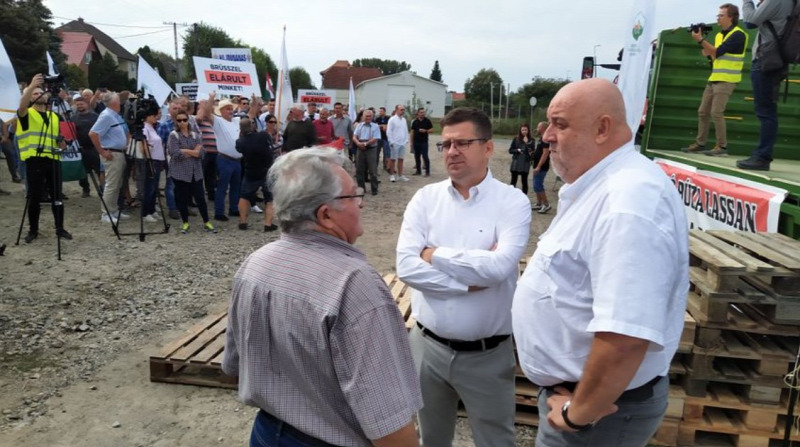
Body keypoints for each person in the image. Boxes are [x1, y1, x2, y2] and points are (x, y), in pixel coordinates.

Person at [512, 79, 688, 447]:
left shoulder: (627, 201)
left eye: (560, 124)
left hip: (597, 417)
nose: (547, 136)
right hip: (585, 401)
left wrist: (576, 415)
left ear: (602, 128)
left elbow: (626, 334)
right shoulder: (603, 186)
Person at [223, 147, 422, 447]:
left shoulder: (256, 263)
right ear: (326, 215)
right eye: (354, 195)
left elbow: (234, 366)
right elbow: (388, 421)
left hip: (266, 433)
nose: (361, 203)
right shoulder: (354, 285)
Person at [396, 107, 531, 447]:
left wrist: (433, 254)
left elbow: (499, 269)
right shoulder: (426, 199)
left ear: (488, 148)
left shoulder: (512, 202)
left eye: (463, 143)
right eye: (446, 144)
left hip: (488, 355)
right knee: (431, 438)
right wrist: (467, 282)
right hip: (427, 348)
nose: (452, 151)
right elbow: (406, 267)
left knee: (496, 441)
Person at [681, 3, 748, 157]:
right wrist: (707, 48)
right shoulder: (719, 35)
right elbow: (714, 55)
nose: (717, 18)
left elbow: (717, 52)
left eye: (721, 15)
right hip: (715, 78)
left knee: (716, 112)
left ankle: (722, 147)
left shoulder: (738, 35)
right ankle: (700, 144)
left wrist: (700, 40)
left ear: (731, 17)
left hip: (727, 79)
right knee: (703, 112)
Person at [736, 0, 794, 171]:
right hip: (777, 58)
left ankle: (762, 157)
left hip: (765, 60)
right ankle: (762, 155)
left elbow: (750, 21)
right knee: (768, 111)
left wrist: (747, 1)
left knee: (766, 112)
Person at [15, 74, 72, 242]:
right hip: (35, 160)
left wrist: (61, 143)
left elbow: (55, 138)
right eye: (34, 93)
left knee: (57, 196)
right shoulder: (27, 114)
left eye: (40, 92)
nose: (39, 94)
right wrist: (31, 86)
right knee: (34, 197)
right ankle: (33, 230)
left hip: (53, 159)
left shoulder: (54, 116)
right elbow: (22, 106)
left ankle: (60, 228)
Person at [196, 92, 260, 221]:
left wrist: (254, 101)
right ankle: (219, 212)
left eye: (231, 108)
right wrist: (211, 98)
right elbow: (207, 113)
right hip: (225, 159)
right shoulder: (218, 121)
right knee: (222, 187)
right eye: (227, 109)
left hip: (237, 160)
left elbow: (252, 114)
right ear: (221, 111)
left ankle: (233, 209)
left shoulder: (237, 120)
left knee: (236, 186)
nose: (230, 111)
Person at [167, 111, 216, 234]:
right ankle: (185, 222)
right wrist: (193, 151)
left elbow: (201, 153)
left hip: (196, 172)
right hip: (180, 173)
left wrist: (185, 150)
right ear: (176, 122)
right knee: (182, 198)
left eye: (184, 120)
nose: (182, 122)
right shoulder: (173, 135)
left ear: (188, 120)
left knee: (200, 198)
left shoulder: (195, 135)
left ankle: (206, 221)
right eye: (179, 120)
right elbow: (175, 153)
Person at [90, 92, 130, 224]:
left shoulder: (114, 115)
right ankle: (106, 213)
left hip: (119, 153)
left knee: (117, 183)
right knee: (112, 184)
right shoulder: (106, 116)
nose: (121, 102)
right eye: (118, 100)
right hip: (112, 153)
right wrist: (102, 151)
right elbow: (93, 133)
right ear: (115, 102)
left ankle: (113, 210)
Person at [235, 118, 277, 232]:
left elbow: (239, 150)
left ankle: (242, 222)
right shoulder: (263, 135)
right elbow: (271, 147)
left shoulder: (240, 142)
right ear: (252, 126)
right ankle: (268, 224)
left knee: (244, 196)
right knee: (269, 199)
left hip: (251, 171)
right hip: (267, 171)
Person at [138, 108, 165, 223]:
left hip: (157, 159)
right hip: (151, 160)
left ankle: (152, 209)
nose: (156, 117)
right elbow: (144, 144)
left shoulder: (151, 127)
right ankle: (146, 212)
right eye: (154, 115)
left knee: (154, 187)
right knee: (149, 187)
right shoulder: (145, 128)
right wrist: (148, 159)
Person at [71, 95, 100, 198]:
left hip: (94, 148)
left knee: (99, 170)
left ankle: (102, 188)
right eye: (78, 104)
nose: (80, 106)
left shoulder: (95, 116)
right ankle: (85, 189)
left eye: (81, 104)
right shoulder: (73, 118)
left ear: (87, 104)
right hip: (81, 148)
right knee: (82, 172)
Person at [353, 109, 382, 196]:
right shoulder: (359, 126)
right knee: (359, 170)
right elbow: (354, 136)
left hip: (371, 148)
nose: (368, 118)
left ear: (372, 117)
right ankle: (361, 189)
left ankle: (374, 189)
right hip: (360, 148)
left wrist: (365, 144)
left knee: (372, 170)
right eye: (366, 116)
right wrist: (358, 143)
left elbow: (375, 138)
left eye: (370, 116)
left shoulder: (375, 126)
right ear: (363, 117)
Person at [532, 121, 552, 213]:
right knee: (535, 185)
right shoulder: (542, 137)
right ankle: (539, 203)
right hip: (536, 164)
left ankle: (546, 205)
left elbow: (545, 153)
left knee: (538, 185)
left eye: (538, 127)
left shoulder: (546, 139)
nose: (537, 128)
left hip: (542, 166)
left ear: (543, 128)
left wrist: (539, 166)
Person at [387, 105, 410, 182]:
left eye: (403, 110)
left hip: (402, 143)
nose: (402, 111)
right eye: (401, 109)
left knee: (401, 159)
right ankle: (392, 175)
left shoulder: (404, 120)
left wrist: (406, 139)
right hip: (395, 142)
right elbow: (389, 131)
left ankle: (400, 175)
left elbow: (405, 130)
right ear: (396, 110)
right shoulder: (392, 119)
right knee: (393, 159)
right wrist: (391, 141)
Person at [509, 123, 534, 194]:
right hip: (516, 162)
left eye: (526, 130)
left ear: (528, 130)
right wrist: (517, 150)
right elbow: (510, 150)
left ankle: (524, 196)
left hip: (525, 163)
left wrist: (527, 143)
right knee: (513, 181)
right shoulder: (516, 139)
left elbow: (532, 153)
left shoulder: (532, 140)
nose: (524, 131)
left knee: (524, 181)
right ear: (520, 130)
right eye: (522, 130)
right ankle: (511, 195)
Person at [410, 108, 433, 177]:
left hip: (424, 142)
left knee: (425, 156)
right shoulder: (415, 122)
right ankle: (418, 171)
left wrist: (426, 131)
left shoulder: (427, 121)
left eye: (423, 112)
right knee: (417, 156)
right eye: (421, 112)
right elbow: (412, 132)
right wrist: (411, 142)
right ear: (418, 113)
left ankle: (427, 172)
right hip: (416, 142)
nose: (423, 114)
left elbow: (432, 130)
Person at [375, 106, 391, 172]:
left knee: (386, 153)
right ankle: (375, 166)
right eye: (379, 111)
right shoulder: (377, 119)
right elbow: (375, 126)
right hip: (378, 138)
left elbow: (389, 126)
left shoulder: (388, 119)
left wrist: (384, 126)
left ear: (384, 112)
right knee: (377, 153)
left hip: (385, 138)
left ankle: (386, 166)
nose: (380, 112)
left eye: (381, 111)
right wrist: (382, 126)